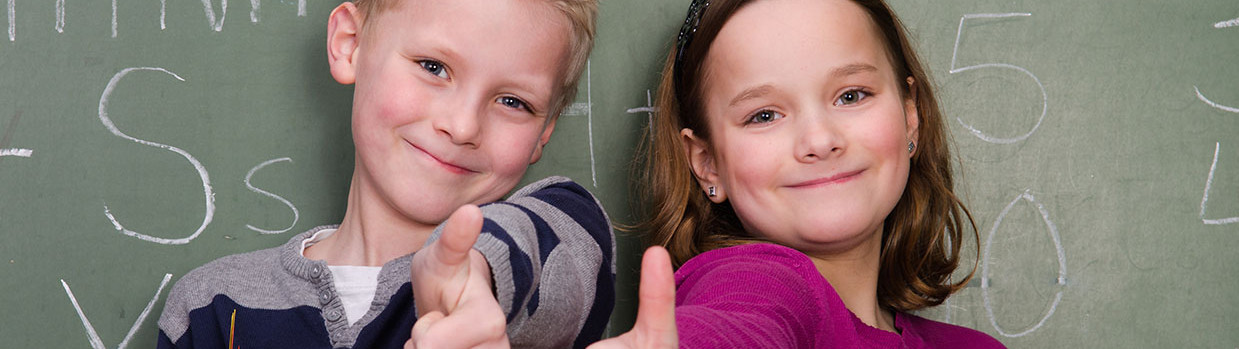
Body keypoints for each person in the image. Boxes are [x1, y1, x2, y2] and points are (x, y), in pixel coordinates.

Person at [156, 0, 614, 348]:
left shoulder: (537, 273)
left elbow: (567, 240)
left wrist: (479, 268)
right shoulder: (211, 306)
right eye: (434, 67)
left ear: (544, 132)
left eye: (514, 102)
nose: (462, 126)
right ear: (350, 44)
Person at [596, 0, 1006, 347]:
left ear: (910, 114)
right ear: (707, 162)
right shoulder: (759, 282)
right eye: (764, 115)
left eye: (851, 95)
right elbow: (741, 319)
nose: (820, 139)